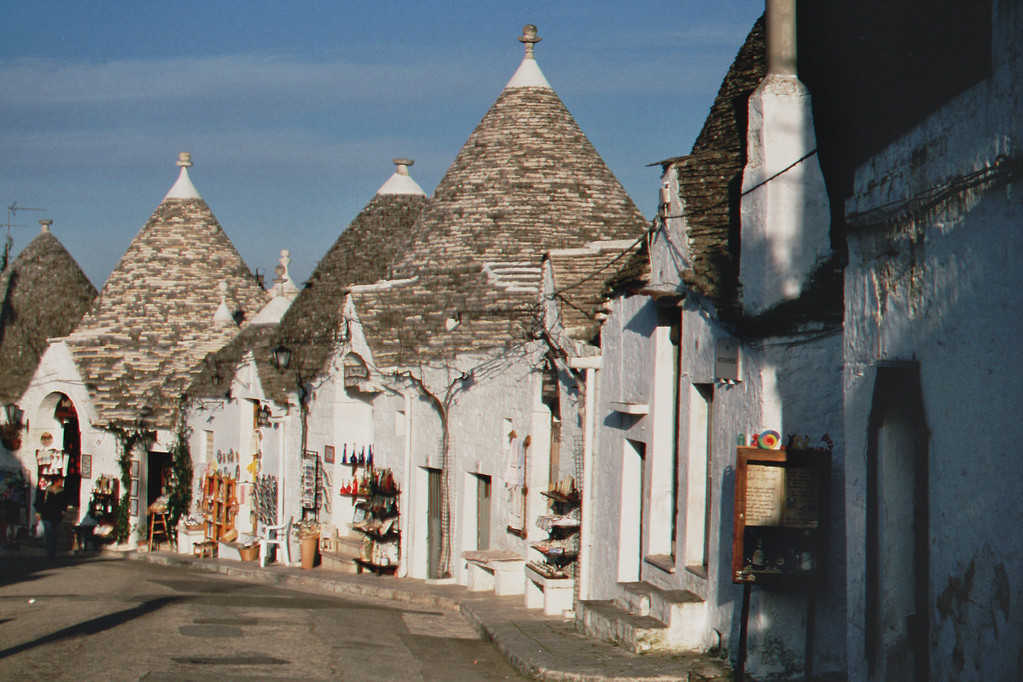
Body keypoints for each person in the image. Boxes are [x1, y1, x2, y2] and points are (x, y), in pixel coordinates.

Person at [34, 476, 67, 558]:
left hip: (57, 516)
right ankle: (50, 553)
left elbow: (64, 504)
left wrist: (63, 511)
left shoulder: (62, 492)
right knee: (49, 533)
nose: (62, 483)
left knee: (55, 534)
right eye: (60, 481)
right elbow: (38, 502)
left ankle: (53, 551)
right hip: (47, 516)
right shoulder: (46, 491)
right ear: (55, 482)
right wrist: (38, 512)